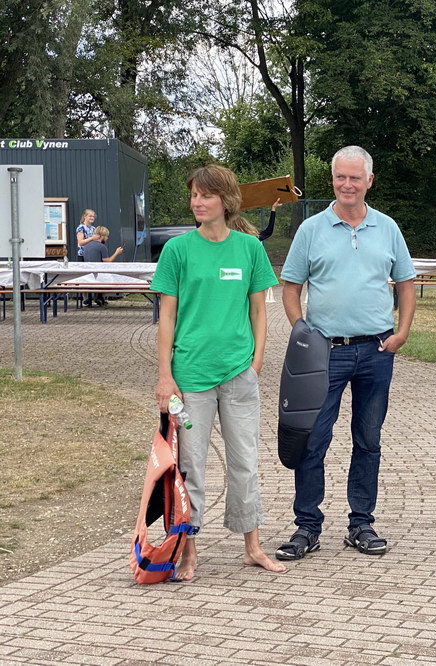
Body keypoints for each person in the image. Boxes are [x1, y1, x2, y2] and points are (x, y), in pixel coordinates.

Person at [275, 145, 416, 561]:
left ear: (369, 181)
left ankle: (361, 524)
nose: (347, 184)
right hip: (324, 353)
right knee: (312, 441)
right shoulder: (311, 230)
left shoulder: (387, 228)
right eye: (341, 177)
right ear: (333, 179)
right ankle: (307, 526)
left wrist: (403, 332)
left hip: (377, 349)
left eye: (355, 177)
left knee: (368, 440)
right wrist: (302, 332)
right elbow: (290, 287)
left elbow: (406, 283)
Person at [152, 164, 286, 581]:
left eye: (206, 195)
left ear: (226, 200)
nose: (197, 202)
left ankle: (253, 548)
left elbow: (259, 311)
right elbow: (166, 317)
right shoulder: (177, 250)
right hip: (190, 377)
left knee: (245, 463)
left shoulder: (249, 248)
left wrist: (256, 362)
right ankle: (188, 552)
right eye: (194, 194)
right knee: (190, 467)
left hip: (239, 374)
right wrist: (165, 376)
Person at [81, 226, 124, 307]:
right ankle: (99, 296)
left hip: (88, 274)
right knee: (112, 280)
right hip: (98, 274)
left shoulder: (86, 246)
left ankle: (90, 298)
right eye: (106, 236)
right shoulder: (102, 247)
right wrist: (117, 253)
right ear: (102, 236)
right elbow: (107, 261)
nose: (107, 238)